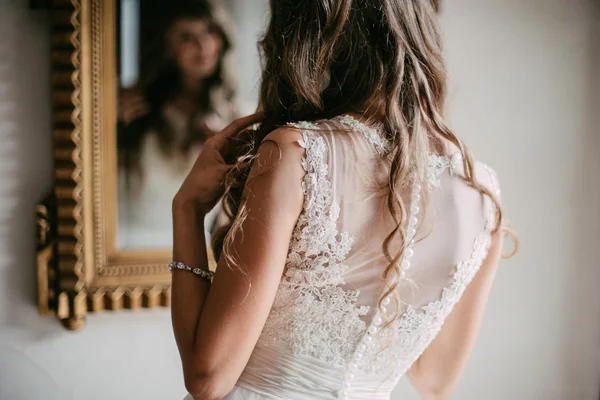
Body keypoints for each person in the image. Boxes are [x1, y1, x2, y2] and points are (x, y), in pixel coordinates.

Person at [171, 1, 518, 399]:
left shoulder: (297, 155)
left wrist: (187, 210)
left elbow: (207, 379)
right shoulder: (482, 190)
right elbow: (435, 380)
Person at [116, 0, 244, 249]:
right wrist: (115, 128)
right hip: (139, 241)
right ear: (168, 48)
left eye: (209, 31)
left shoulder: (239, 117)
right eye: (187, 37)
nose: (203, 45)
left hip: (201, 246)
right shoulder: (139, 108)